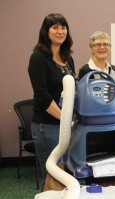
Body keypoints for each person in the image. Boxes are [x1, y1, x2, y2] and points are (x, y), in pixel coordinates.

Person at [28, 13, 76, 189]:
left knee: (67, 173)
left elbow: (71, 92)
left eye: (63, 27)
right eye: (55, 27)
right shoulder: (38, 58)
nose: (60, 31)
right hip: (47, 126)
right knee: (53, 175)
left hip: (66, 124)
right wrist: (65, 119)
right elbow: (42, 96)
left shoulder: (68, 58)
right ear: (45, 31)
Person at [78, 31, 115, 112]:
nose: (102, 47)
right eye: (98, 44)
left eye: (105, 44)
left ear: (110, 47)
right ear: (91, 48)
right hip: (95, 120)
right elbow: (81, 101)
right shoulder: (85, 71)